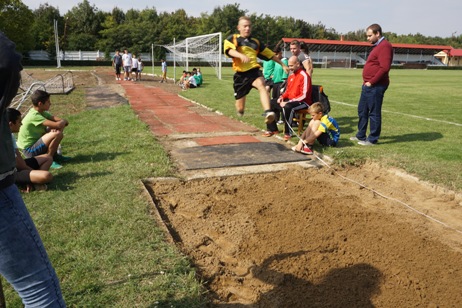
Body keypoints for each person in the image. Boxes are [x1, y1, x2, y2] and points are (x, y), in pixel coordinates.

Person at [0, 31, 66, 307]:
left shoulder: (36, 114)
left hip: (18, 166)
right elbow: (7, 58)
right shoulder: (29, 118)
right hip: (7, 177)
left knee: (47, 162)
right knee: (41, 292)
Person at [223, 16, 289, 125]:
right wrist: (240, 55)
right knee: (240, 109)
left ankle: (268, 112)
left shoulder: (256, 42)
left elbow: (269, 54)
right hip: (240, 75)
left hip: (254, 71)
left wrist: (282, 64)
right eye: (245, 26)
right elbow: (229, 51)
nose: (247, 28)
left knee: (261, 85)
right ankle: (240, 110)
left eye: (249, 26)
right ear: (239, 27)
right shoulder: (233, 38)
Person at [350, 23, 393, 146]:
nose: (367, 38)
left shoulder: (385, 46)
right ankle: (361, 135)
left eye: (369, 36)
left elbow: (385, 68)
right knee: (362, 110)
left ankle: (372, 139)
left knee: (374, 112)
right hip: (367, 85)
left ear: (377, 34)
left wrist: (372, 81)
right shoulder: (377, 46)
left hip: (376, 86)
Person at [17, 89, 70, 169]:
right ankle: (49, 159)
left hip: (36, 144)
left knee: (56, 131)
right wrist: (63, 121)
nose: (50, 103)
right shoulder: (34, 116)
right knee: (57, 133)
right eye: (48, 102)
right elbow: (59, 124)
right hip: (30, 150)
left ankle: (55, 156)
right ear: (40, 104)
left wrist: (59, 124)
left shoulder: (42, 112)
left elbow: (57, 121)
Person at [263, 55, 312, 140]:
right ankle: (272, 129)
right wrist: (282, 97)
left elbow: (304, 95)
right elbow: (288, 91)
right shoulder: (291, 76)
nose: (289, 68)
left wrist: (288, 102)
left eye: (291, 66)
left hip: (303, 102)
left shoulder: (304, 75)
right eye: (289, 66)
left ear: (297, 64)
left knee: (288, 107)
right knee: (270, 103)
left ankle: (288, 132)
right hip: (291, 100)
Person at [8, 108, 53, 192]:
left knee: (48, 158)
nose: (21, 124)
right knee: (47, 175)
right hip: (9, 173)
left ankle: (33, 181)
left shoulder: (10, 135)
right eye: (19, 122)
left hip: (18, 166)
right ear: (10, 124)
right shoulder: (4, 140)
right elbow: (20, 165)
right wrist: (32, 172)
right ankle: (32, 182)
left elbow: (19, 158)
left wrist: (31, 173)